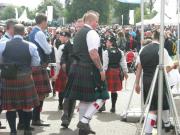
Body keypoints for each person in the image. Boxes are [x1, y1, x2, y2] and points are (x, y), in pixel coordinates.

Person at [64, 11, 109, 135]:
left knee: (85, 100)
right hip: (88, 69)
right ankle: (84, 121)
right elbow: (93, 53)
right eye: (96, 21)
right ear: (90, 21)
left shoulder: (78, 33)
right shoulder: (91, 32)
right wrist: (101, 69)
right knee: (103, 96)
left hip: (78, 67)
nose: (97, 23)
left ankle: (82, 130)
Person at [0, 24, 40, 135]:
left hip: (8, 78)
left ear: (13, 32)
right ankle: (27, 130)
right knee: (27, 106)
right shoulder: (31, 46)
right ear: (23, 33)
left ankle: (13, 131)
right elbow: (36, 62)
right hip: (25, 78)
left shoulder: (2, 45)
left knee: (10, 107)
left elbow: (0, 60)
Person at [135, 30, 177, 135]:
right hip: (158, 80)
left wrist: (137, 83)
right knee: (158, 106)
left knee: (152, 107)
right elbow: (166, 69)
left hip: (146, 80)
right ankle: (150, 131)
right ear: (161, 38)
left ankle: (150, 131)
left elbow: (139, 68)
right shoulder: (162, 50)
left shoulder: (143, 49)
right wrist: (174, 65)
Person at [29, 13, 52, 126]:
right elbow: (47, 50)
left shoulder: (33, 32)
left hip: (34, 65)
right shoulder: (39, 33)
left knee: (39, 93)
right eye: (46, 21)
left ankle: (35, 118)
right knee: (41, 93)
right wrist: (51, 46)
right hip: (40, 65)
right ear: (42, 21)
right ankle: (36, 119)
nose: (47, 24)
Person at [103, 34, 128, 113]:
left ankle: (102, 106)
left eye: (107, 42)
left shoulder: (106, 52)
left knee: (104, 89)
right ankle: (113, 107)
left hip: (109, 71)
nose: (106, 43)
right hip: (117, 71)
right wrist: (125, 72)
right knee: (114, 91)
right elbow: (123, 63)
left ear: (111, 43)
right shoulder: (120, 51)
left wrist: (102, 73)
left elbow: (105, 65)